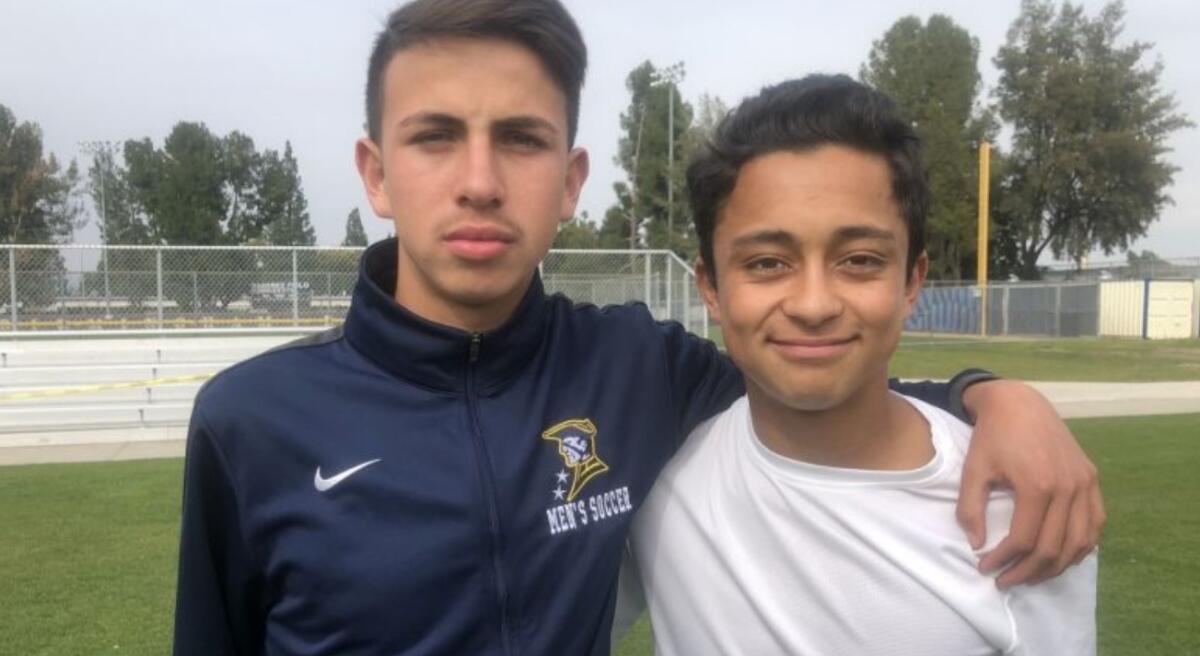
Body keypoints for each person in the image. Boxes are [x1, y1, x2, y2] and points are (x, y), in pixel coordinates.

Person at [172, 1, 1103, 653]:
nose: (482, 180)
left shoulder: (636, 369)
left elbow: (820, 367)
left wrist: (997, 396)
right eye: (436, 135)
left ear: (571, 181)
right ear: (375, 173)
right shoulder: (252, 421)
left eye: (523, 140)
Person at [625, 75, 1097, 655]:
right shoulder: (658, 478)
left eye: (860, 260)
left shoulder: (1023, 508)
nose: (814, 304)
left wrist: (1001, 396)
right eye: (769, 263)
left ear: (911, 282)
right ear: (711, 288)